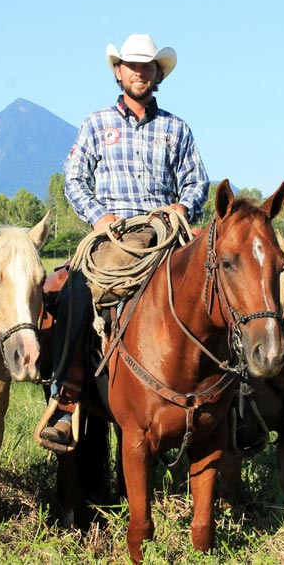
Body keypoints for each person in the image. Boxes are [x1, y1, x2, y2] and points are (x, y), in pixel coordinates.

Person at [40, 34, 209, 447]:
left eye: (146, 65)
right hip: (115, 236)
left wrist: (182, 209)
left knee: (221, 282)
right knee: (79, 289)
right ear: (118, 71)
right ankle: (67, 399)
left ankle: (238, 404)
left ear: (157, 74)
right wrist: (100, 217)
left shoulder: (176, 128)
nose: (139, 72)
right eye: (131, 65)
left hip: (167, 231)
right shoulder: (96, 124)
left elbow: (197, 181)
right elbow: (75, 179)